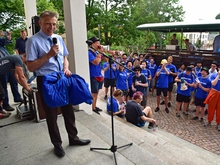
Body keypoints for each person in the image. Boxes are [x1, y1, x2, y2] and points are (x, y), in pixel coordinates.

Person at [26, 10, 91, 158]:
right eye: (48, 23)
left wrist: (66, 68)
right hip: (46, 80)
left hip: (61, 77)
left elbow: (64, 58)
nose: (51, 27)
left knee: (68, 110)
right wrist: (48, 55)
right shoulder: (33, 41)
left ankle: (73, 138)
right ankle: (57, 144)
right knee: (51, 114)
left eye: (54, 24)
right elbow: (30, 67)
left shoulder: (58, 39)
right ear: (40, 23)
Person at [0, 30, 23, 111]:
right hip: (2, 67)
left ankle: (17, 97)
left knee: (14, 81)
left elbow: (5, 41)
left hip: (9, 65)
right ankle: (6, 104)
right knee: (4, 86)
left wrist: (8, 36)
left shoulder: (1, 45)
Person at [87, 36, 104, 114]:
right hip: (93, 75)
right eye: (97, 43)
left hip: (99, 75)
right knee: (93, 93)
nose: (98, 44)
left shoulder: (97, 53)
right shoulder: (89, 53)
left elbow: (104, 59)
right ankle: (92, 108)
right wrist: (100, 54)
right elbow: (96, 62)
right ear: (93, 44)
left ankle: (94, 106)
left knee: (96, 93)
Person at [204, 65, 220, 131]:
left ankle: (218, 123)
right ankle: (209, 121)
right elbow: (213, 83)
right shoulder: (214, 75)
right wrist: (218, 75)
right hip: (214, 93)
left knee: (219, 110)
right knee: (211, 108)